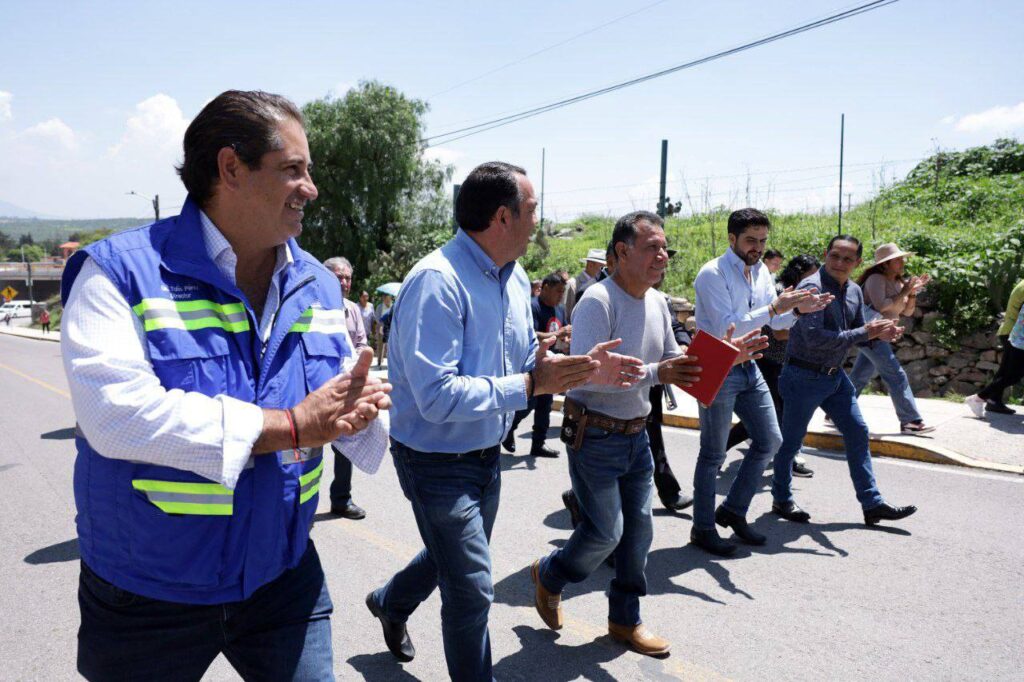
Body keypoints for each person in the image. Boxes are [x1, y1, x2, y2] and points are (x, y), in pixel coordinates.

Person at [60, 90, 392, 681]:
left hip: (282, 577)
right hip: (148, 594)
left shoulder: (316, 282)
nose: (311, 187)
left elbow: (335, 406)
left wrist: (359, 413)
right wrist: (288, 426)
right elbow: (116, 415)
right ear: (230, 168)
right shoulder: (118, 273)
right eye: (293, 169)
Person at [365, 162, 641, 681]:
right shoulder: (436, 282)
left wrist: (564, 364)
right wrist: (532, 385)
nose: (538, 221)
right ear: (502, 216)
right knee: (472, 588)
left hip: (486, 455)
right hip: (433, 461)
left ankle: (389, 601)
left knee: (454, 559)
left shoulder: (513, 278)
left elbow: (514, 362)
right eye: (532, 210)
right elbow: (436, 397)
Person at [530, 211, 766, 657]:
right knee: (605, 533)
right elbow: (585, 375)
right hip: (594, 435)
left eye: (665, 248)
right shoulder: (598, 302)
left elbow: (678, 363)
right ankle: (550, 575)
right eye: (652, 247)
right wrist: (660, 371)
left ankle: (625, 620)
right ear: (621, 252)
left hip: (637, 434)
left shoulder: (657, 302)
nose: (663, 256)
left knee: (639, 535)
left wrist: (725, 359)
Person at [691, 208, 832, 556]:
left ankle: (733, 511)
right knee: (712, 454)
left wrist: (799, 310)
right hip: (717, 365)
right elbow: (731, 326)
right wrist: (774, 310)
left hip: (750, 364)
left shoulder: (761, 275)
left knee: (770, 440)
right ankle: (703, 528)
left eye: (763, 241)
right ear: (732, 239)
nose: (757, 247)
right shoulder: (712, 274)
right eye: (751, 240)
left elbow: (778, 325)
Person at [772, 235, 917, 527]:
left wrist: (880, 335)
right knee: (791, 443)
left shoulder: (852, 291)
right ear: (826, 254)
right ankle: (782, 498)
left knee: (857, 431)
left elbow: (856, 329)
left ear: (857, 263)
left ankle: (872, 503)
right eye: (835, 256)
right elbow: (815, 340)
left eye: (847, 259)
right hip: (803, 374)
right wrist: (867, 333)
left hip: (834, 377)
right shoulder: (811, 288)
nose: (839, 263)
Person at [725, 254, 821, 478]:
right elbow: (778, 331)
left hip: (788, 361)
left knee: (784, 413)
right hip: (767, 359)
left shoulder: (806, 293)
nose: (815, 278)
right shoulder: (780, 290)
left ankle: (787, 457)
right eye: (811, 274)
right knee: (771, 414)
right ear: (799, 272)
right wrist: (808, 332)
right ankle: (722, 450)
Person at [848, 243, 935, 434]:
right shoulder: (875, 279)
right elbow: (883, 306)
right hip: (872, 333)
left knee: (860, 376)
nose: (902, 262)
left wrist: (911, 292)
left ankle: (838, 412)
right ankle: (910, 420)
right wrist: (905, 291)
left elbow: (908, 311)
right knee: (896, 375)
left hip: (882, 334)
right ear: (885, 264)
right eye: (897, 259)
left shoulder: (899, 282)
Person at [503, 271, 572, 458]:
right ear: (545, 288)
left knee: (545, 405)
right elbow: (531, 333)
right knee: (528, 402)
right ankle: (508, 428)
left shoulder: (560, 309)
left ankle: (538, 444)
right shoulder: (533, 306)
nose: (560, 296)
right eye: (557, 291)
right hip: (532, 363)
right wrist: (557, 335)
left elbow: (561, 331)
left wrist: (566, 339)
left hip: (552, 363)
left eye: (562, 292)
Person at [323, 256, 371, 520]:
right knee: (306, 448)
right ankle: (293, 506)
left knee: (346, 445)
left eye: (347, 277)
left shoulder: (352, 309)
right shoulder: (312, 305)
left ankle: (341, 500)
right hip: (317, 389)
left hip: (346, 388)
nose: (344, 282)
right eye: (338, 276)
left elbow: (361, 342)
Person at [967, 277, 1024, 416]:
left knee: (1006, 372)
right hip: (1017, 335)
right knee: (1013, 374)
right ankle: (979, 398)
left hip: (1011, 332)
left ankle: (993, 400)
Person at [564, 248, 606, 321]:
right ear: (590, 265)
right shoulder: (573, 284)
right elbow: (566, 311)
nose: (603, 270)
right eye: (601, 267)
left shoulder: (600, 283)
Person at [374, 293, 393, 368]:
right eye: (386, 299)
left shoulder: (393, 306)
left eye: (389, 299)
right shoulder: (380, 307)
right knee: (381, 345)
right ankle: (379, 361)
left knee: (390, 346)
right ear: (383, 299)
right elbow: (377, 318)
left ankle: (391, 362)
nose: (387, 300)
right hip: (382, 327)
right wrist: (382, 323)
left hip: (391, 328)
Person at [358, 289, 375, 355]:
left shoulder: (371, 306)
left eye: (367, 296)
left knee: (367, 351)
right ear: (360, 297)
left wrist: (373, 333)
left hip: (368, 333)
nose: (366, 298)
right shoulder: (356, 306)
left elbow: (373, 319)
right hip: (359, 334)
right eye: (364, 296)